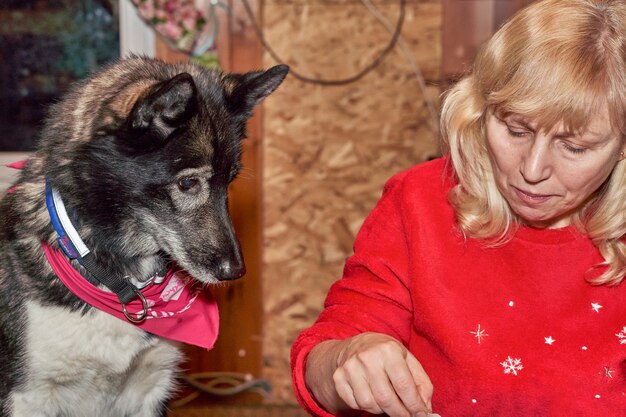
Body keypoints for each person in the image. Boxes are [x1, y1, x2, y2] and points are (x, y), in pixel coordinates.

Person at [290, 0, 626, 416]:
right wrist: (348, 357)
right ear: (481, 109)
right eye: (515, 128)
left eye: (574, 147)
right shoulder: (419, 200)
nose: (533, 169)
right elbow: (322, 362)